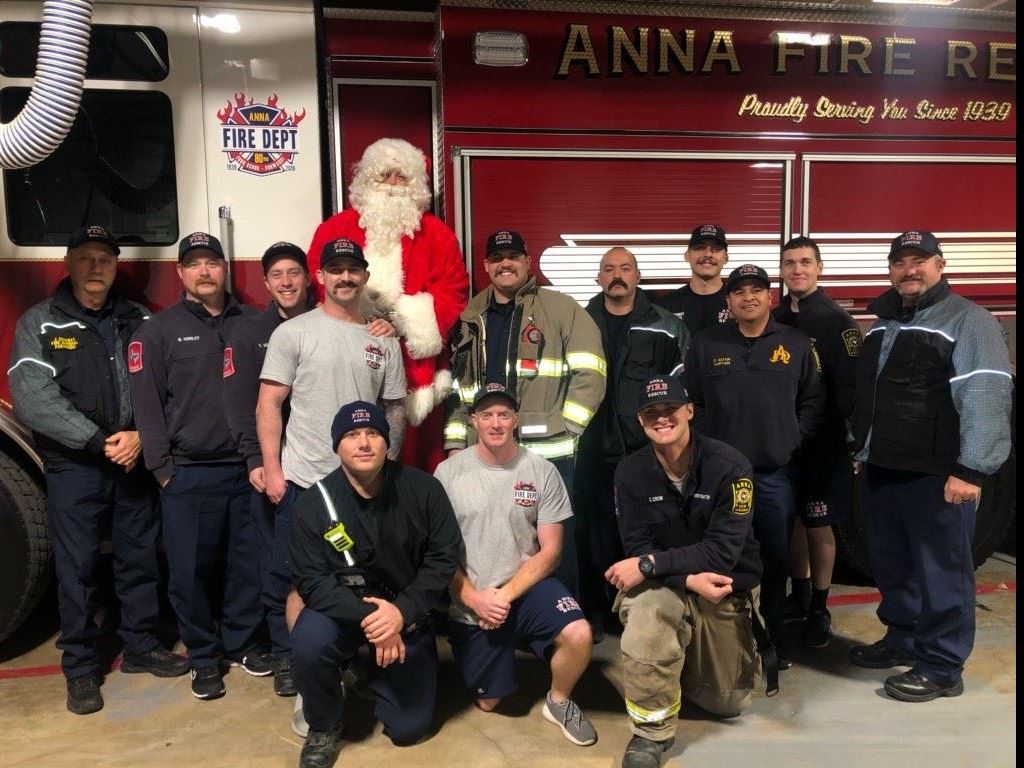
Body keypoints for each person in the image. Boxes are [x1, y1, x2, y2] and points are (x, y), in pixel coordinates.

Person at [8, 226, 188, 715]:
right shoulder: (40, 323)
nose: (95, 267)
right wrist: (97, 441)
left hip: (132, 459)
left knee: (139, 559)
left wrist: (140, 436)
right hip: (75, 466)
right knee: (78, 569)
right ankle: (81, 667)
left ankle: (141, 646)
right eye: (85, 258)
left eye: (104, 259)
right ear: (68, 263)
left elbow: (170, 384)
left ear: (115, 267)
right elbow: (32, 398)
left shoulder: (140, 320)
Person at [849, 231, 1012, 702]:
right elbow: (869, 396)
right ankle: (902, 638)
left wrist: (972, 469)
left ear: (940, 265)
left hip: (938, 475)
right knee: (893, 565)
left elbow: (985, 393)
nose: (909, 270)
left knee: (943, 571)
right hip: (884, 468)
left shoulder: (969, 320)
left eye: (919, 260)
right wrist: (861, 450)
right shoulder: (884, 323)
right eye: (900, 262)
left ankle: (942, 666)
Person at [129, 231, 266, 700]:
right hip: (188, 473)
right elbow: (147, 407)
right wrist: (163, 470)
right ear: (180, 273)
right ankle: (204, 657)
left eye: (212, 262)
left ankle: (241, 644)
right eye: (194, 264)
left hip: (248, 470)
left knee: (247, 566)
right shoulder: (157, 332)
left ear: (225, 269)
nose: (204, 271)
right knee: (188, 574)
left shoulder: (253, 323)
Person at [289, 401, 462, 768]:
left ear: (387, 442)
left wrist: (401, 613)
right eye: (352, 435)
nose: (364, 443)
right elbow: (312, 582)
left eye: (372, 433)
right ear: (337, 446)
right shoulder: (313, 504)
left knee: (408, 729)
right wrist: (377, 621)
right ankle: (324, 723)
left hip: (408, 612)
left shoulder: (424, 489)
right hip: (344, 611)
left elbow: (443, 558)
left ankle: (366, 672)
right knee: (309, 641)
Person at [606, 376, 762, 768]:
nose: (661, 419)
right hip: (671, 585)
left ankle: (682, 660)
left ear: (689, 411)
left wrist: (652, 565)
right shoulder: (629, 473)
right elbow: (638, 547)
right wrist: (685, 579)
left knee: (727, 702)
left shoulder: (731, 467)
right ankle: (650, 733)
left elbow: (722, 553)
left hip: (722, 586)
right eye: (651, 413)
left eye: (670, 410)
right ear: (640, 421)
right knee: (648, 616)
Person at [444, 229, 606, 597]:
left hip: (547, 453)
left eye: (513, 257)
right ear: (486, 266)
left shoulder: (561, 308)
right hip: (485, 454)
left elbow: (591, 371)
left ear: (527, 262)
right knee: (491, 537)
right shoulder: (471, 315)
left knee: (553, 543)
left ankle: (561, 614)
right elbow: (459, 388)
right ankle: (498, 612)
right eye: (497, 258)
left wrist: (568, 427)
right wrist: (456, 444)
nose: (505, 264)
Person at [434, 383, 597, 748]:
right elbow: (437, 554)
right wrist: (475, 600)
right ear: (474, 421)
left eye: (504, 415)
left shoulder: (541, 471)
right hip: (473, 598)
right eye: (487, 415)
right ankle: (501, 648)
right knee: (491, 702)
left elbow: (551, 551)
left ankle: (558, 701)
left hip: (525, 588)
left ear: (515, 420)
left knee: (579, 634)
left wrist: (504, 596)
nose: (496, 423)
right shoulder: (447, 474)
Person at [683, 263, 824, 666]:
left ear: (769, 296)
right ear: (728, 301)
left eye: (756, 290)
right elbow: (693, 403)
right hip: (719, 479)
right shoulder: (706, 343)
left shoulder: (796, 343)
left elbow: (813, 400)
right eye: (739, 291)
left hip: (773, 475)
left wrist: (792, 437)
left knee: (775, 562)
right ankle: (727, 647)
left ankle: (772, 642)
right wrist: (708, 451)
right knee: (720, 558)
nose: (748, 297)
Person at [307, 138, 469, 471]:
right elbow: (318, 278)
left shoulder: (438, 234)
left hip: (412, 368)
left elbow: (454, 290)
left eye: (402, 176)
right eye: (384, 175)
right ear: (367, 179)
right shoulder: (335, 229)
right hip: (346, 358)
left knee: (411, 463)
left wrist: (403, 320)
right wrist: (359, 319)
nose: (393, 184)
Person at [576, 246, 689, 637]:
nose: (617, 275)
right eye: (609, 269)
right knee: (591, 533)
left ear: (638, 277)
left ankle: (641, 610)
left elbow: (682, 386)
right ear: (598, 278)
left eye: (625, 268)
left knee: (644, 530)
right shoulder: (580, 322)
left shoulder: (665, 325)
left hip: (644, 451)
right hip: (588, 449)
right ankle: (595, 609)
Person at [223, 241, 315, 697]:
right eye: (277, 274)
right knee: (280, 566)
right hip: (278, 470)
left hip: (322, 468)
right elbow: (242, 404)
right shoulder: (248, 333)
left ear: (308, 278)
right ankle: (284, 654)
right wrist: (257, 460)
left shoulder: (331, 323)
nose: (286, 281)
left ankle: (330, 649)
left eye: (294, 272)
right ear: (265, 283)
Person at [774, 236, 861, 648]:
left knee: (818, 525)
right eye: (790, 263)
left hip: (822, 444)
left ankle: (820, 609)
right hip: (782, 443)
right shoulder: (775, 317)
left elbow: (849, 391)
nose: (797, 270)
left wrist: (846, 439)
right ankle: (801, 594)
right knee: (793, 521)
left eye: (806, 262)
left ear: (819, 268)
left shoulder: (837, 322)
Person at [656, 224, 732, 335]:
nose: (708, 254)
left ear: (726, 258)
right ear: (687, 256)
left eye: (716, 249)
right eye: (699, 247)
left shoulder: (738, 303)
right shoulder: (666, 306)